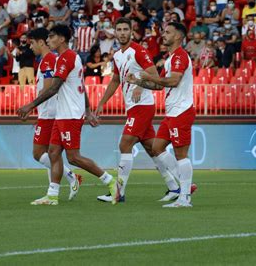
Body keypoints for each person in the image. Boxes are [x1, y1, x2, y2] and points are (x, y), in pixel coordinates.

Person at [17, 24, 119, 206]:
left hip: (70, 114)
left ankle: (110, 181)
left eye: (52, 36)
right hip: (63, 114)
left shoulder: (67, 58)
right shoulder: (70, 57)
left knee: (73, 157)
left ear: (62, 39)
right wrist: (88, 110)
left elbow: (54, 87)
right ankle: (52, 195)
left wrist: (30, 105)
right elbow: (81, 86)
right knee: (53, 152)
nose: (49, 40)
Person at [95, 17, 185, 203]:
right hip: (133, 107)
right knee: (152, 149)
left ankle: (118, 192)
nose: (122, 33)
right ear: (115, 32)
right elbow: (115, 80)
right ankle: (174, 187)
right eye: (118, 29)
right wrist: (102, 102)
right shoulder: (118, 54)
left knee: (125, 144)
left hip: (142, 106)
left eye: (125, 29)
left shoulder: (138, 51)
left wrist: (140, 86)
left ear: (131, 31)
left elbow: (153, 74)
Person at [127, 22, 196, 208]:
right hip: (172, 111)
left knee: (181, 154)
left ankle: (184, 197)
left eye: (168, 32)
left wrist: (147, 76)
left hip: (181, 110)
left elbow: (173, 81)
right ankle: (186, 184)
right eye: (164, 32)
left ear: (179, 37)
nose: (163, 35)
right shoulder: (170, 58)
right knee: (157, 148)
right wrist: (139, 81)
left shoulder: (180, 56)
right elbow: (159, 85)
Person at [26, 27, 82, 199]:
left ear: (41, 42)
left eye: (32, 43)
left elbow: (50, 88)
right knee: (50, 153)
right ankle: (54, 190)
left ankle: (69, 178)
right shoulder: (47, 60)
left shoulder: (50, 59)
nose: (30, 47)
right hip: (47, 113)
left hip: (50, 113)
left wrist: (30, 105)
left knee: (42, 153)